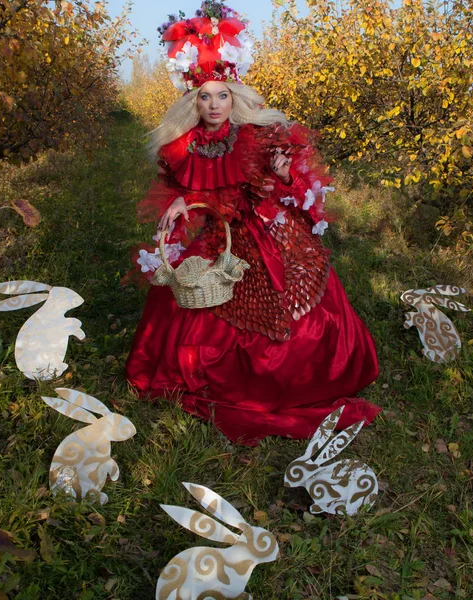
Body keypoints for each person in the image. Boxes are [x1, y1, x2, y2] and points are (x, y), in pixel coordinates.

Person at [125, 2, 380, 445]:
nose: (214, 105)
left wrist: (283, 175)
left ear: (235, 96)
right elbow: (199, 197)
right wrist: (184, 203)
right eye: (204, 96)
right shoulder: (182, 147)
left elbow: (298, 193)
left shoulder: (260, 134)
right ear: (193, 100)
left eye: (222, 95)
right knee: (189, 300)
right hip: (221, 238)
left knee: (295, 314)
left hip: (267, 233)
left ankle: (296, 381)